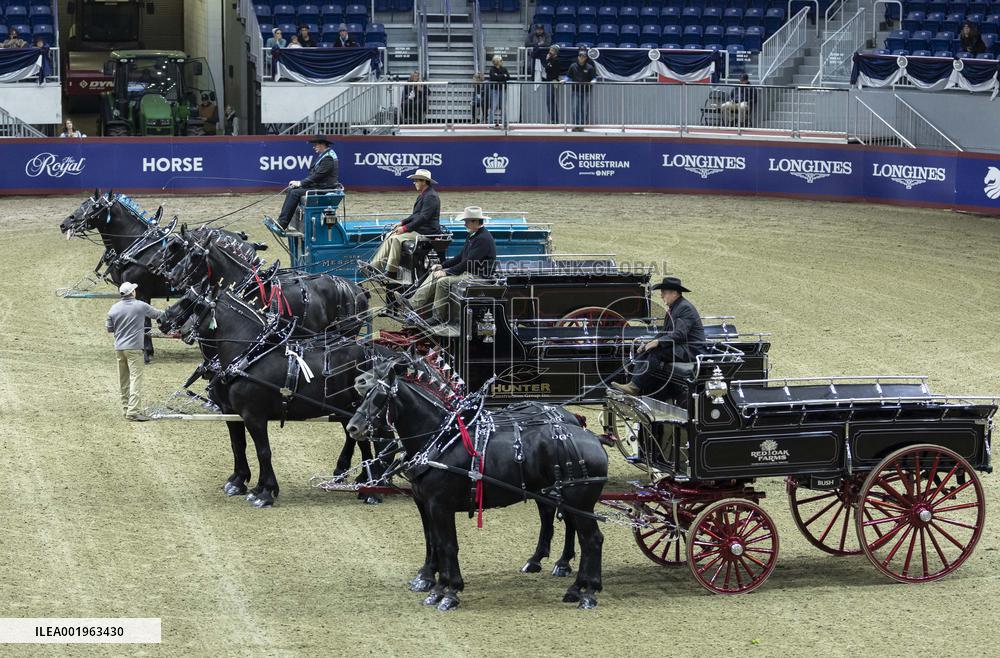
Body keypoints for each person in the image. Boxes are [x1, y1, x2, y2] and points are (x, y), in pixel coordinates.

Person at [611, 277, 705, 397]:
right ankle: (633, 385)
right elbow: (663, 332)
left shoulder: (684, 308)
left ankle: (635, 386)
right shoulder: (673, 308)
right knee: (647, 350)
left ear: (674, 293)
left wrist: (658, 342)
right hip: (680, 347)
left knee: (657, 352)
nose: (661, 296)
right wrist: (649, 343)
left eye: (663, 292)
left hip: (691, 349)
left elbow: (680, 334)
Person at [408, 206, 496, 326]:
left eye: (466, 221)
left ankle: (438, 317)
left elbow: (467, 263)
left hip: (478, 277)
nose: (464, 224)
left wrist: (446, 272)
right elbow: (460, 257)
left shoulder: (483, 239)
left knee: (443, 282)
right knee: (435, 274)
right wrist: (442, 266)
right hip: (469, 273)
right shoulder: (474, 235)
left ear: (475, 221)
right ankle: (412, 304)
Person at [106, 282, 164, 422]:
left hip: (119, 348)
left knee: (124, 380)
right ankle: (134, 411)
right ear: (132, 292)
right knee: (135, 379)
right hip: (134, 349)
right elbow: (157, 314)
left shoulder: (113, 308)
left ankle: (126, 408)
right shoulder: (140, 305)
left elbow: (109, 328)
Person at [368, 168, 441, 278]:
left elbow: (423, 218)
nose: (414, 183)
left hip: (427, 232)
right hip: (419, 230)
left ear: (424, 182)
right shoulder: (424, 195)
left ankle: (391, 271)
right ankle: (374, 266)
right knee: (390, 235)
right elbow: (416, 215)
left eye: (416, 181)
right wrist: (402, 222)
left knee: (397, 238)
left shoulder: (431, 196)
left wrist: (405, 228)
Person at [276, 135, 339, 230]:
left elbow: (317, 176)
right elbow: (315, 176)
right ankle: (282, 222)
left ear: (322, 144)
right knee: (291, 190)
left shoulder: (328, 158)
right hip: (319, 186)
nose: (314, 147)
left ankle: (282, 224)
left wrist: (300, 183)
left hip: (324, 188)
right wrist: (299, 183)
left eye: (316, 144)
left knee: (294, 193)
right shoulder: (325, 155)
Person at [567, 48, 596, 130]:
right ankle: (575, 125)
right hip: (575, 91)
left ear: (586, 58)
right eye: (580, 56)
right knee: (575, 108)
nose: (581, 58)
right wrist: (564, 80)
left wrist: (593, 81)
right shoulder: (573, 66)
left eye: (583, 56)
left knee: (584, 109)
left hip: (586, 91)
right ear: (578, 57)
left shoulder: (590, 67)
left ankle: (582, 126)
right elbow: (568, 76)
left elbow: (594, 78)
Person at [487, 55, 510, 128]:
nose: (502, 62)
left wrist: (498, 76)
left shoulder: (504, 68)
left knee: (503, 107)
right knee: (493, 106)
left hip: (503, 90)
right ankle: (490, 123)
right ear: (497, 62)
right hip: (495, 90)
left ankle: (505, 123)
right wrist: (503, 76)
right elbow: (493, 77)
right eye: (501, 60)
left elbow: (508, 77)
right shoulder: (492, 69)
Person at [543, 45, 563, 124]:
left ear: (555, 52)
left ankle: (555, 119)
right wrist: (548, 61)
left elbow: (548, 69)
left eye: (551, 50)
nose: (549, 51)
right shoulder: (550, 60)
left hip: (553, 81)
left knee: (550, 100)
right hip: (549, 81)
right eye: (550, 50)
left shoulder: (556, 60)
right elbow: (547, 68)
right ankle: (553, 119)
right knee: (550, 101)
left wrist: (548, 60)